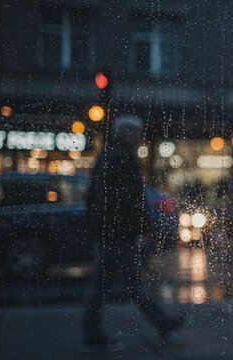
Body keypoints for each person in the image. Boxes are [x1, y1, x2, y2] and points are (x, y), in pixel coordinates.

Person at [83, 114, 183, 350]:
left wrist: (96, 225)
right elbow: (131, 200)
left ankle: (92, 332)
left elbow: (92, 195)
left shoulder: (106, 155)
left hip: (105, 230)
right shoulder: (123, 158)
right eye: (138, 133)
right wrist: (144, 226)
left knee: (102, 284)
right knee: (133, 282)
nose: (140, 137)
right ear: (127, 133)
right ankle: (162, 322)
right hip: (120, 233)